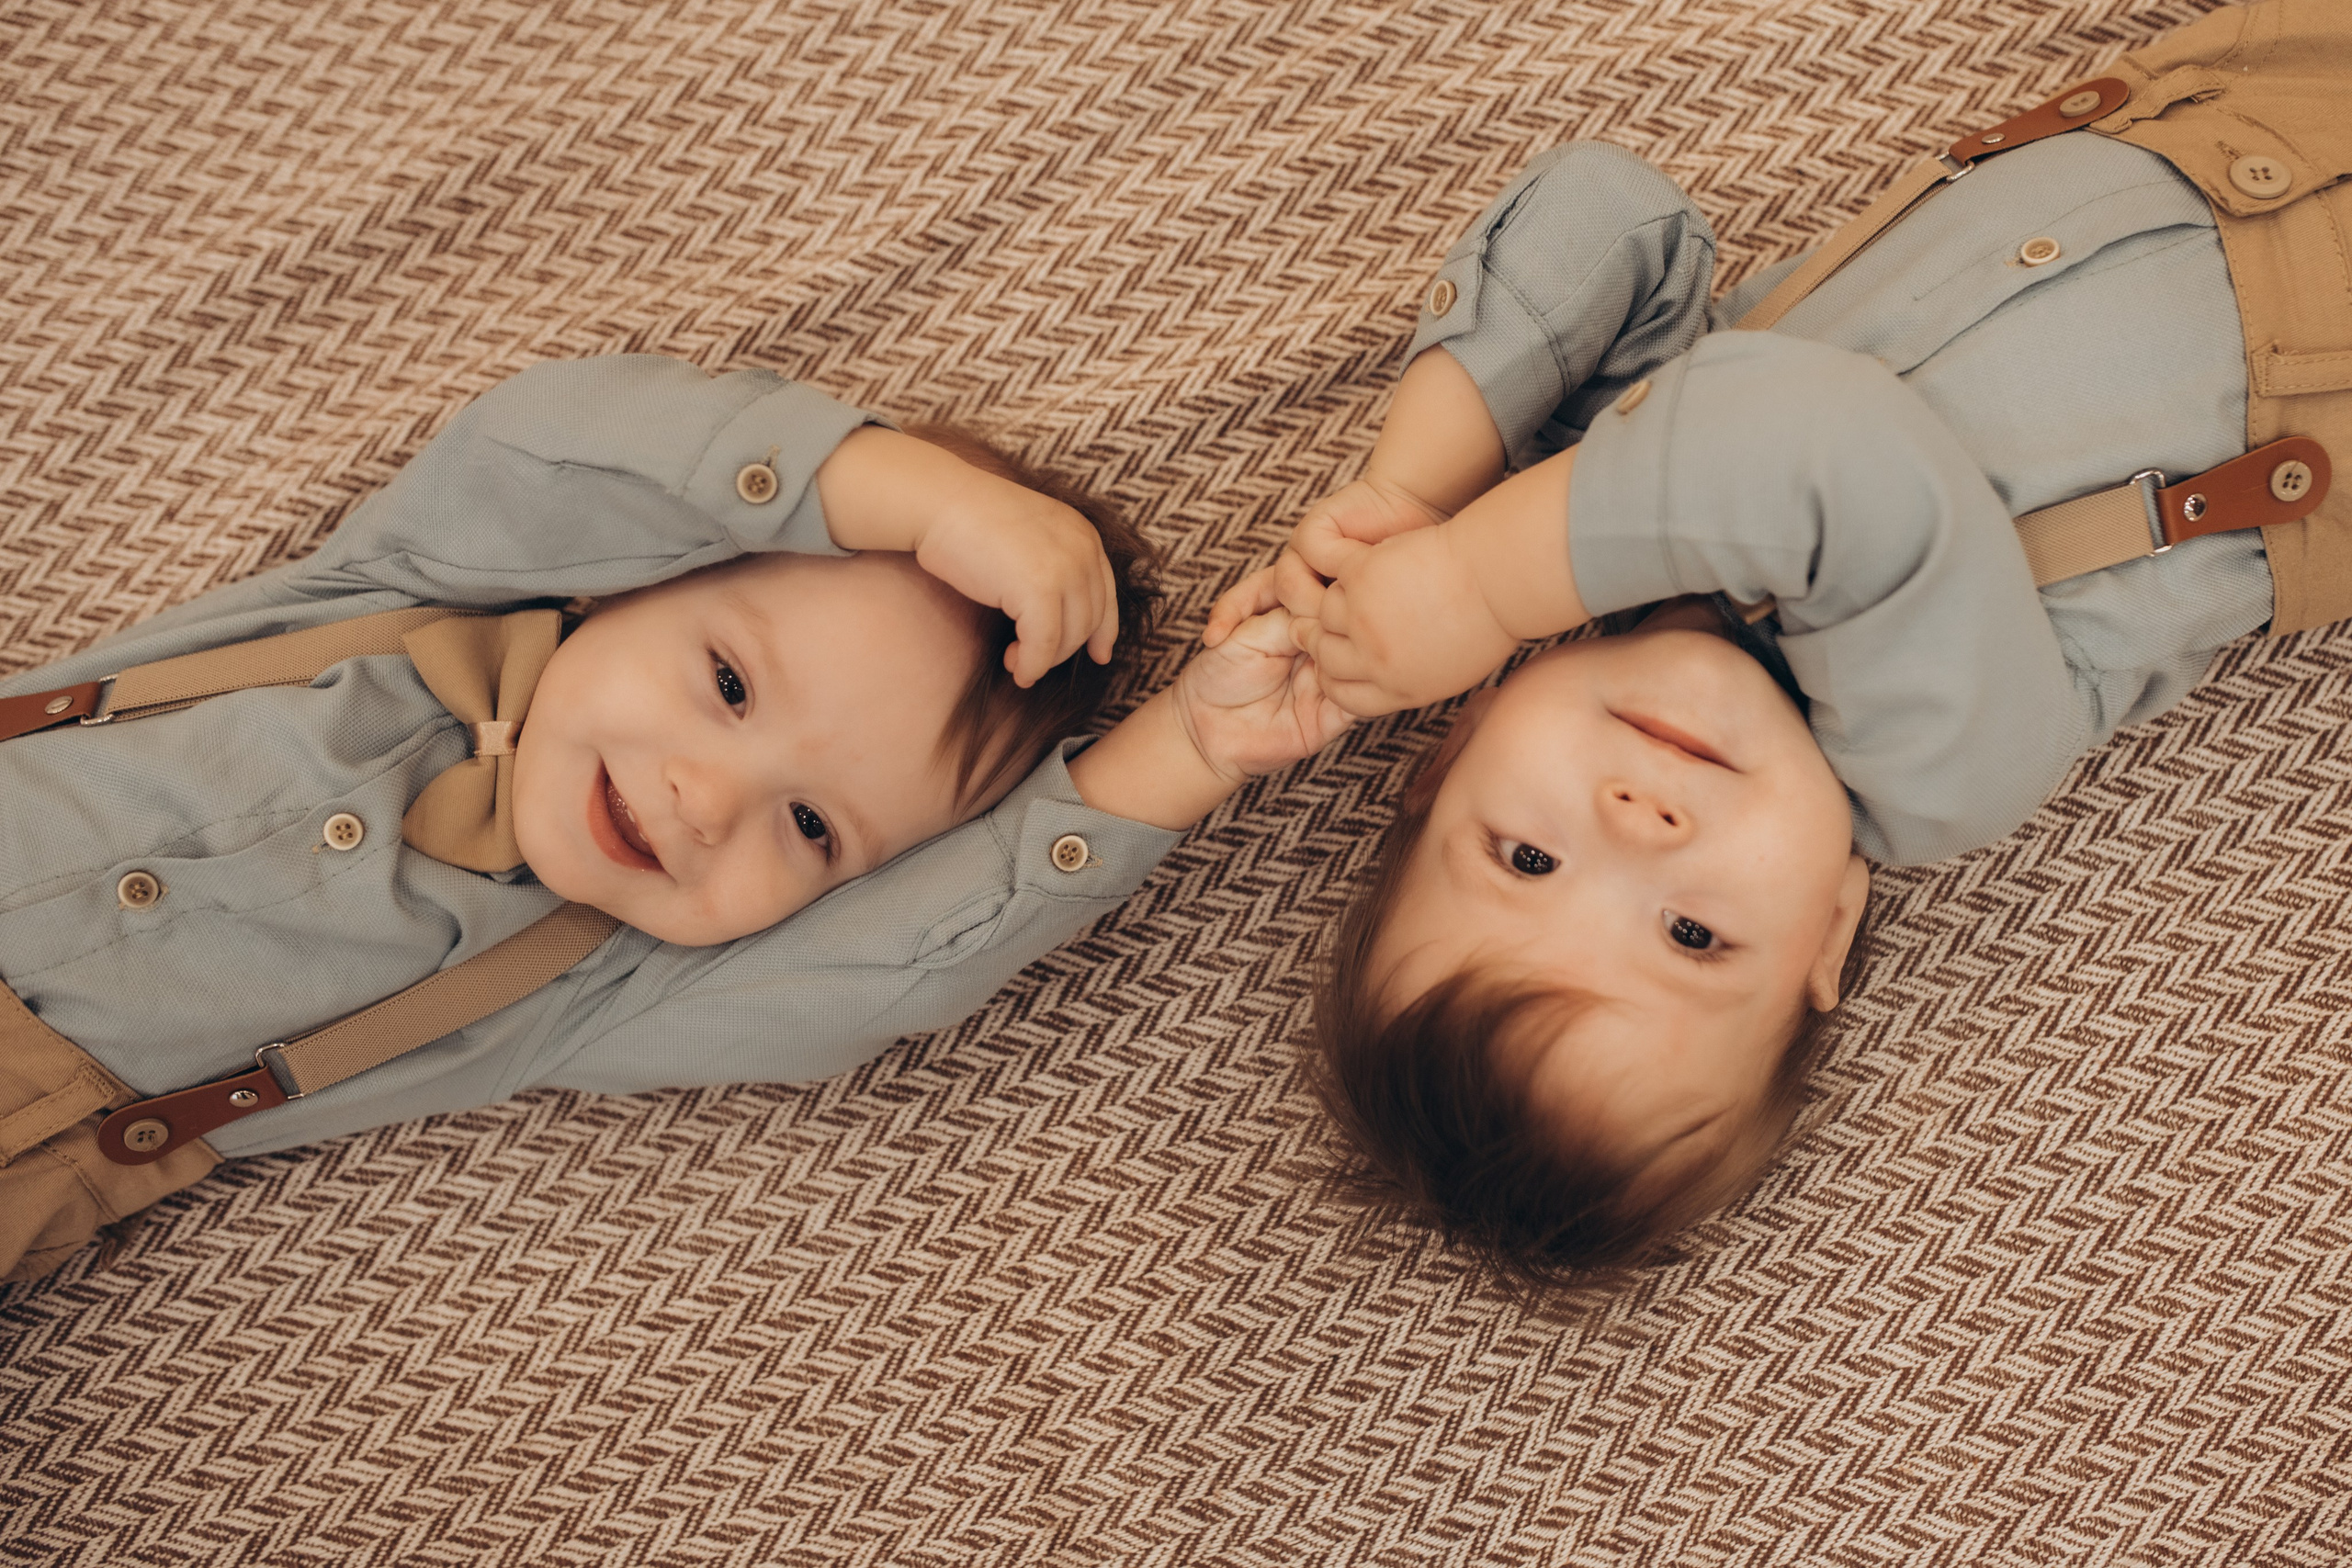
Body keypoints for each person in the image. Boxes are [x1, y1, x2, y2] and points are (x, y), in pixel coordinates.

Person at [1205, 0, 2349, 1286]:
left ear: (1446, 748)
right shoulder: (1937, 765)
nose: (1639, 823)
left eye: (1526, 856)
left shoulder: (1594, 505)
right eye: (1694, 937)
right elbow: (1822, 451)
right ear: (1829, 934)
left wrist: (1413, 502)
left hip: (2240, 89)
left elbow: (1608, 218)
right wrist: (1469, 586)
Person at [0, 353, 1348, 1284]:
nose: (709, 797)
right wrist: (923, 497)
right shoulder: (422, 583)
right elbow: (560, 437)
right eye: (725, 682)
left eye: (813, 830)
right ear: (629, 576)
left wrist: (1185, 749)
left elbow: (885, 969)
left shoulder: (591, 986)